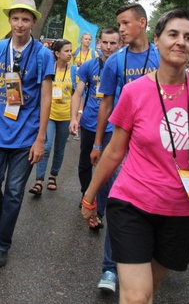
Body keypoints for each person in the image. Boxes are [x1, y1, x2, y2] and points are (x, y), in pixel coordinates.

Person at [81, 9, 189, 302]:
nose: (181, 42)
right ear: (158, 40)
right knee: (137, 297)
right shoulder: (135, 91)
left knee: (147, 290)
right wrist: (90, 196)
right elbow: (115, 151)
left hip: (184, 211)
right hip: (132, 204)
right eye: (173, 34)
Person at [0, 0, 54, 268]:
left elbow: (46, 97)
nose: (20, 24)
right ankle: (4, 216)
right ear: (9, 20)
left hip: (26, 136)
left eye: (26, 19)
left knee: (15, 192)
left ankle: (1, 244)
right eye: (16, 18)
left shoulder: (43, 55)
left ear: (33, 22)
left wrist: (41, 138)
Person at [91, 3, 160, 293]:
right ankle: (109, 268)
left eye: (125, 23)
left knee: (153, 204)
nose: (120, 29)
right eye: (118, 24)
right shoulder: (115, 61)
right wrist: (97, 142)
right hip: (122, 139)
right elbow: (106, 103)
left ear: (142, 23)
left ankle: (149, 260)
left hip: (157, 144)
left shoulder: (161, 57)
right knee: (120, 201)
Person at [69, 27, 121, 230]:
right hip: (90, 122)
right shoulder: (89, 66)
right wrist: (74, 117)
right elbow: (78, 93)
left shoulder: (123, 68)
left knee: (106, 168)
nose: (108, 47)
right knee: (85, 164)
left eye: (113, 43)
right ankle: (86, 194)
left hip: (113, 126)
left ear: (120, 45)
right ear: (99, 43)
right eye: (105, 42)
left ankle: (98, 211)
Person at [28, 39, 76, 195]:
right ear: (57, 53)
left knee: (60, 148)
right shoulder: (49, 69)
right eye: (66, 51)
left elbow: (77, 96)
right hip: (49, 115)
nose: (70, 54)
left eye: (71, 51)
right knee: (46, 146)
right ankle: (39, 181)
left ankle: (53, 176)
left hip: (65, 116)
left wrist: (76, 116)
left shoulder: (74, 71)